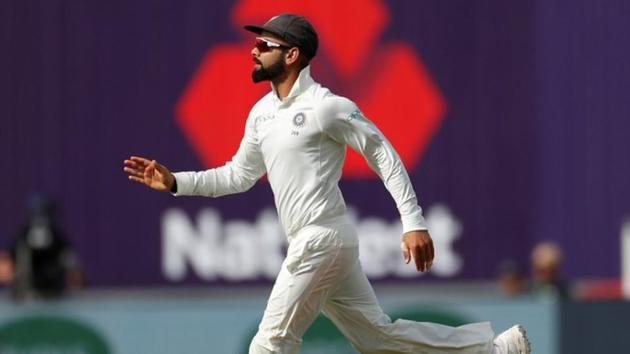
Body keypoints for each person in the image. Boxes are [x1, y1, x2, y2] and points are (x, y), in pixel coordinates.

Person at [123, 13, 530, 354]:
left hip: (321, 238)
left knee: (268, 345)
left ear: (292, 54)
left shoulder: (326, 107)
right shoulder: (262, 113)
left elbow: (382, 154)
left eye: (265, 45)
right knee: (377, 338)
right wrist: (176, 181)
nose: (254, 50)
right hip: (321, 241)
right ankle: (494, 349)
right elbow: (237, 175)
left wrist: (413, 221)